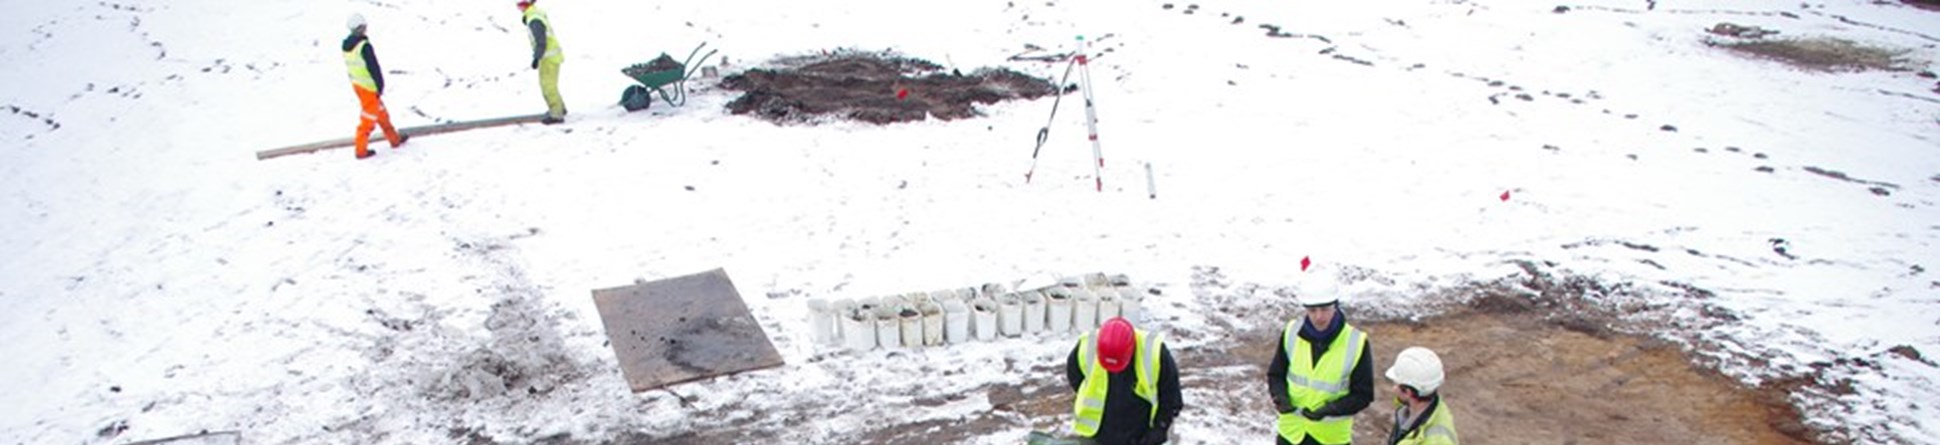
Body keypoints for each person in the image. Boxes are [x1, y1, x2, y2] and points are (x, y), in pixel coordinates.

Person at [1268, 272, 1374, 445]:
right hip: (1291, 435)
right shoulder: (1291, 332)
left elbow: (1363, 395)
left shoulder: (1356, 342)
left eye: (1325, 309)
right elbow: (1276, 375)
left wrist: (1330, 410)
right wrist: (1280, 397)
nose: (1319, 316)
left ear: (1336, 306)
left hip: (1330, 438)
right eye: (1312, 310)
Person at [1066, 317, 1183, 445]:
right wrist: (1089, 393)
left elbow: (1171, 396)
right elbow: (1075, 375)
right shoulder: (1086, 345)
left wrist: (1160, 427)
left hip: (1140, 430)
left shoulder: (1155, 353)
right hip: (1098, 430)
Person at [342, 13, 408, 159]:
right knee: (368, 120)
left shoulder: (346, 46)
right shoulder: (364, 47)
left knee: (381, 114)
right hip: (369, 88)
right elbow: (374, 67)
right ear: (361, 28)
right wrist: (380, 85)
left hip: (358, 85)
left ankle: (394, 139)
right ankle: (361, 150)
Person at [1385, 347, 1458, 445]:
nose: (1393, 389)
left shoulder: (1436, 441)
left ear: (1408, 392)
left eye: (1396, 384)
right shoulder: (1431, 410)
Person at [516, 0, 566, 124]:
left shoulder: (534, 19)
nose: (518, 8)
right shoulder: (536, 13)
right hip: (551, 55)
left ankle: (556, 114)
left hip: (548, 57)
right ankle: (560, 108)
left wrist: (536, 57)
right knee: (551, 85)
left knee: (548, 87)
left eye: (519, 5)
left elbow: (541, 41)